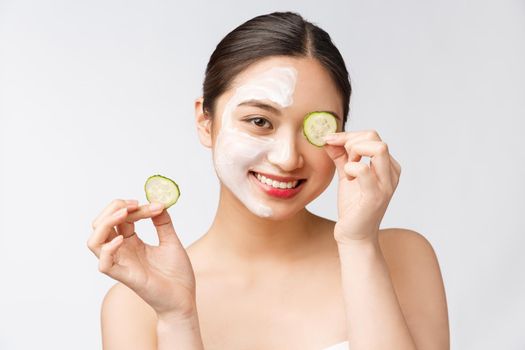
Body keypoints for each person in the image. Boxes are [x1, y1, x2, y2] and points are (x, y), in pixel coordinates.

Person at [87, 11, 449, 350]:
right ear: (205, 123)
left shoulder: (401, 256)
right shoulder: (137, 303)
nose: (288, 157)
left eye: (316, 129)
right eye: (260, 122)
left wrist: (358, 245)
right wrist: (177, 318)